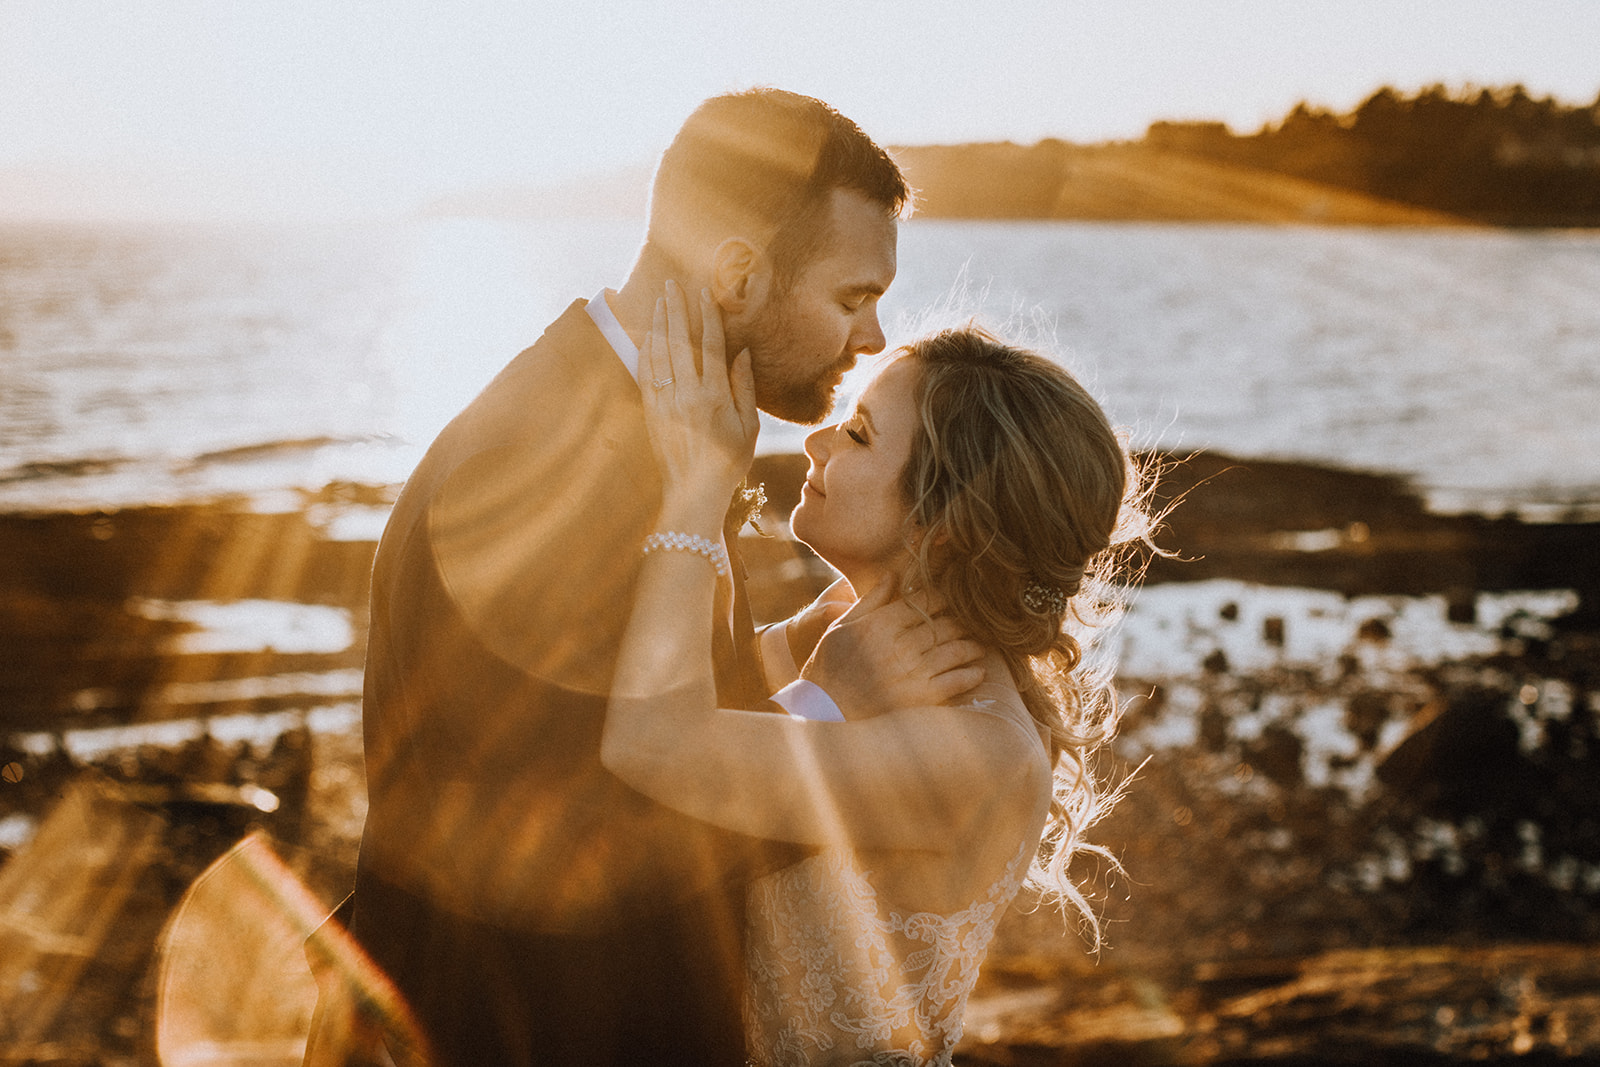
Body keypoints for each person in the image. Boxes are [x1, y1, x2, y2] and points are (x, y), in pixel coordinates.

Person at [319, 89, 978, 1067]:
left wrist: (812, 644)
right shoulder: (539, 461)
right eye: (852, 297)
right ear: (738, 273)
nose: (873, 338)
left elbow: (623, 697)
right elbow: (589, 834)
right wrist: (836, 714)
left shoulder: (665, 425)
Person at [605, 289, 1146, 1066]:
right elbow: (707, 683)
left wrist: (693, 492)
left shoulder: (978, 751)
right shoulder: (845, 626)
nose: (817, 440)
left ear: (945, 520)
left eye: (858, 434)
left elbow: (654, 743)